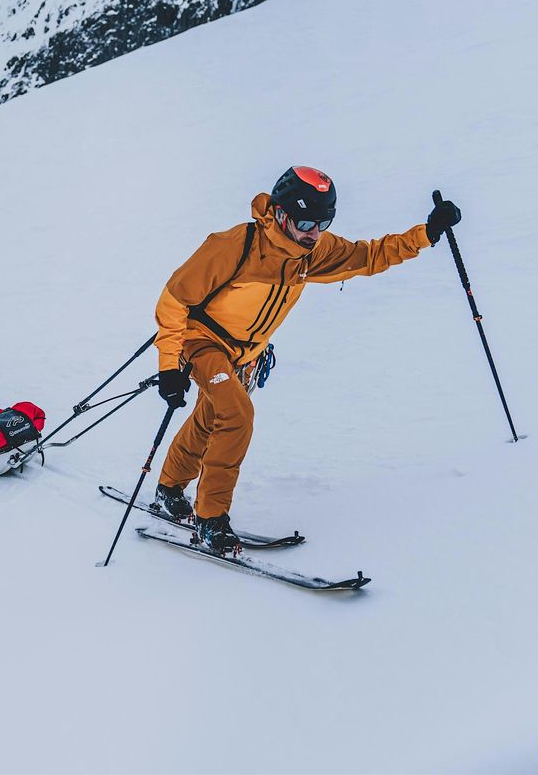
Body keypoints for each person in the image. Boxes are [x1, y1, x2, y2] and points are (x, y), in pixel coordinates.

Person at [152, 166, 461, 551]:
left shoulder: (311, 253)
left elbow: (368, 255)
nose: (315, 232)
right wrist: (168, 368)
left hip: (246, 353)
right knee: (237, 414)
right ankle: (211, 517)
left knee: (213, 415)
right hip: (203, 341)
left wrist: (427, 234)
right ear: (281, 215)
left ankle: (169, 487)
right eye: (306, 223)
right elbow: (174, 300)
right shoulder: (234, 245)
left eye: (324, 222)